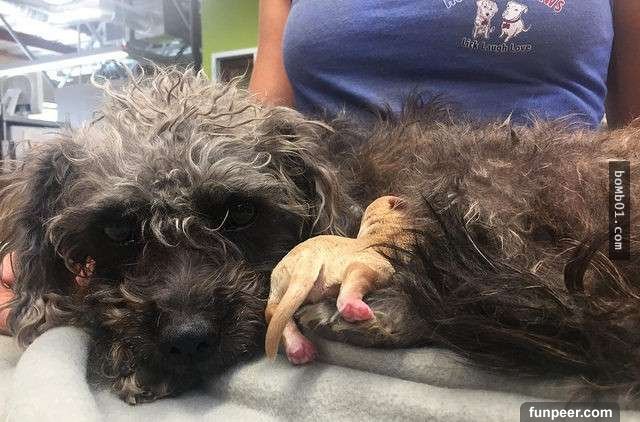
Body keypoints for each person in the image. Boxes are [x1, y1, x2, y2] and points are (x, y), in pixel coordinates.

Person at [1, 0, 639, 333]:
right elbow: (257, 126)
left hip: (579, 204)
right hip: (324, 231)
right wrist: (33, 268)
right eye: (120, 231)